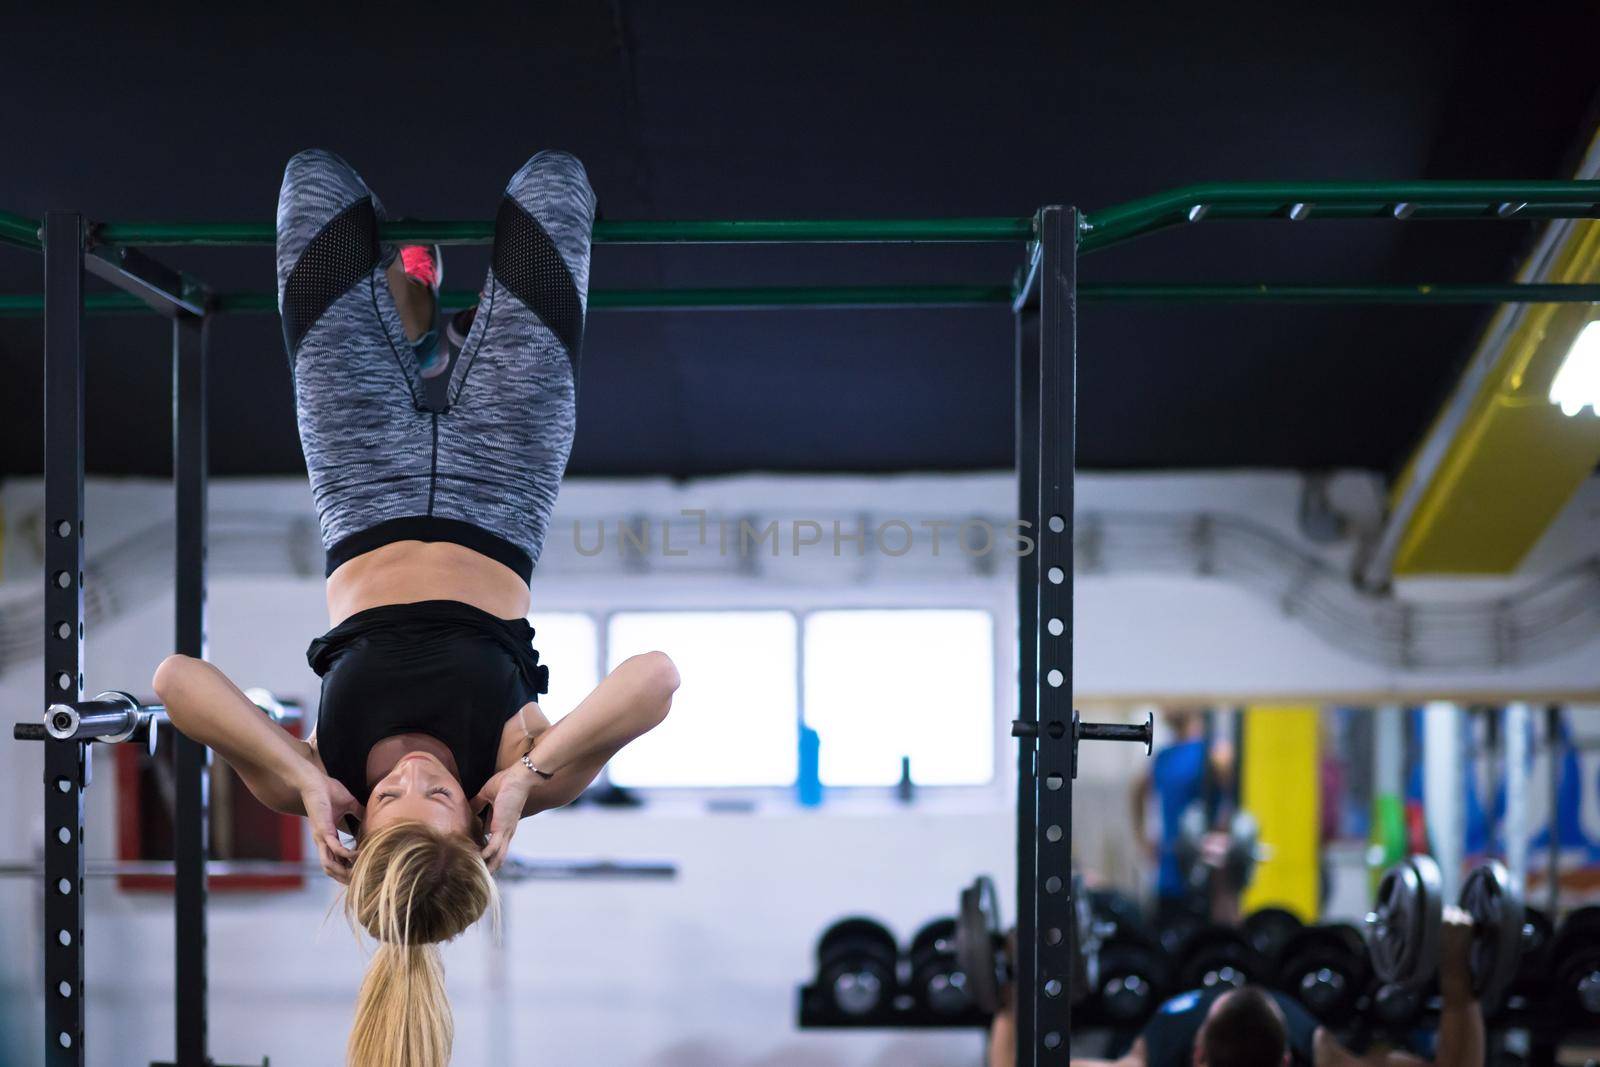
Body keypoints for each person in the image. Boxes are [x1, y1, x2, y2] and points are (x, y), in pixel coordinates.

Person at [153, 148, 678, 1067]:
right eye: (436, 794)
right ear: (475, 830)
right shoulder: (519, 778)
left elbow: (175, 679)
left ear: (358, 826)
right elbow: (655, 679)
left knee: (313, 183)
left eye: (392, 797)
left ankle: (421, 334)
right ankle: (424, 332)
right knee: (552, 184)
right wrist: (528, 774)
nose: (411, 778)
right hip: (502, 479)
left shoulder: (320, 785)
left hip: (359, 483)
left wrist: (306, 775)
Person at [986, 906, 1484, 1067]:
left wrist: (1011, 991)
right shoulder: (1319, 1050)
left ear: (1198, 1055)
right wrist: (1457, 975)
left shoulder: (1157, 1052)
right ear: (1285, 1062)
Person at [1130, 708, 1239, 928]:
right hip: (1168, 877)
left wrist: (1224, 834)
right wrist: (1142, 839)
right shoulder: (1163, 756)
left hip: (1207, 880)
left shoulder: (1214, 752)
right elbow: (1137, 792)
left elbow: (1234, 797)